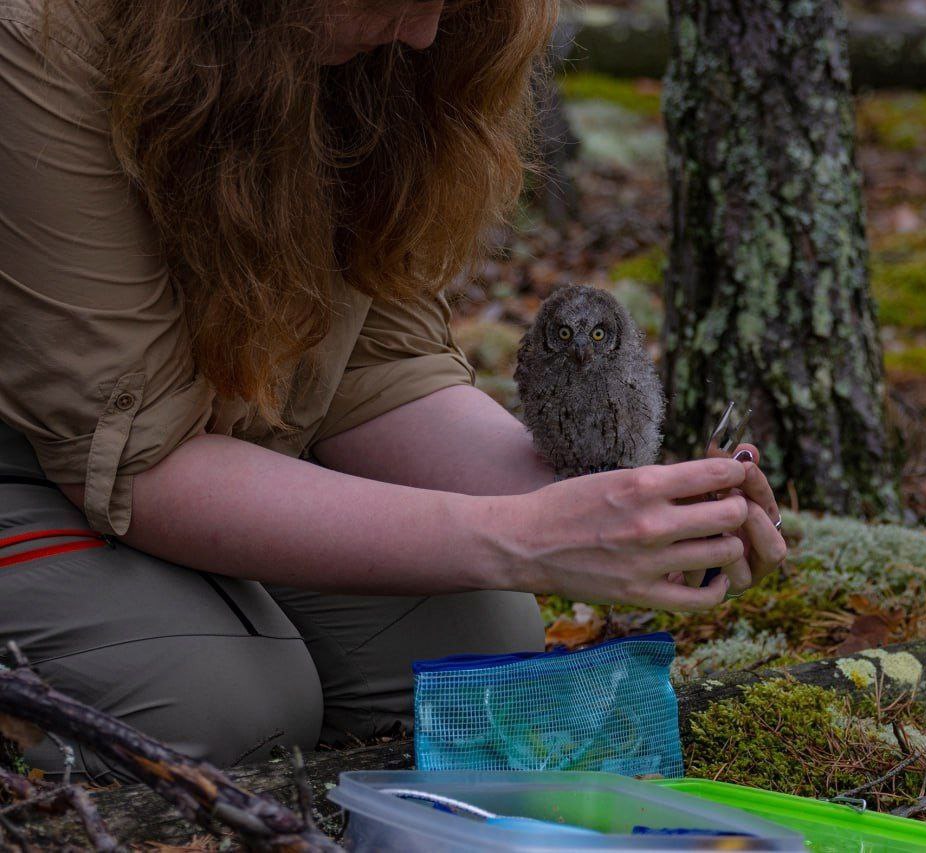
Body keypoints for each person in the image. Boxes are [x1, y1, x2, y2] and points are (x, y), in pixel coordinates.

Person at [0, 0, 788, 781]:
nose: (425, 31)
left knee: (475, 644)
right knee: (217, 705)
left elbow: (379, 371)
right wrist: (519, 535)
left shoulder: (372, 53)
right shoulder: (45, 36)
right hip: (40, 459)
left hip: (215, 442)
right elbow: (134, 459)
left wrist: (622, 504)